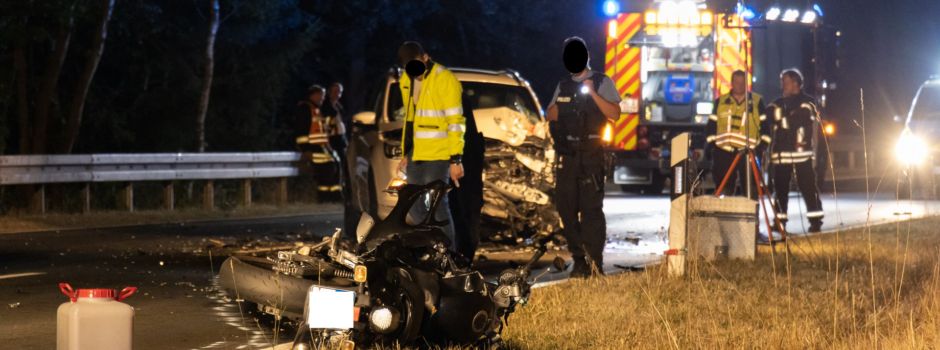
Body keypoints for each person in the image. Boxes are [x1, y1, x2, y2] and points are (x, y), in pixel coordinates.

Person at [546, 37, 621, 277]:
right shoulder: (563, 85)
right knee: (566, 210)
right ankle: (579, 260)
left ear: (587, 55)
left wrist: (591, 94)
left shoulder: (601, 81)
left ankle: (593, 263)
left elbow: (615, 113)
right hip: (567, 156)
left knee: (591, 211)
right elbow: (550, 114)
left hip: (591, 156)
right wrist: (568, 106)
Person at [396, 41, 465, 252]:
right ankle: (430, 250)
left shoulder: (444, 79)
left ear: (425, 57)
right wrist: (406, 152)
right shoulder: (406, 80)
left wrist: (456, 160)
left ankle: (450, 256)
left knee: (437, 206)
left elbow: (455, 122)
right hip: (417, 155)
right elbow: (410, 118)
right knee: (414, 206)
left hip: (440, 155)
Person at [767, 69, 824, 233]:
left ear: (796, 83)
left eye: (785, 81)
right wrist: (786, 117)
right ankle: (779, 222)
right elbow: (770, 114)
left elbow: (799, 119)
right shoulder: (777, 102)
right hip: (781, 154)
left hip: (802, 154)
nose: (783, 85)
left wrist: (783, 118)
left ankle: (815, 221)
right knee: (780, 190)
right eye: (782, 82)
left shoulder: (808, 102)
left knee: (808, 188)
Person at [706, 69, 770, 198]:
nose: (739, 85)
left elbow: (765, 128)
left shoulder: (757, 102)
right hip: (723, 152)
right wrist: (712, 145)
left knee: (751, 187)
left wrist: (761, 147)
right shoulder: (721, 102)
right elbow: (711, 125)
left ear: (746, 83)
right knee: (724, 187)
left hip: (748, 152)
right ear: (732, 83)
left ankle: (751, 215)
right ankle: (724, 215)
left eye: (742, 83)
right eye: (737, 82)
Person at [295, 84, 341, 200]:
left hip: (322, 147)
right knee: (328, 170)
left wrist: (330, 148)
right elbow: (301, 131)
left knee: (335, 165)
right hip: (313, 148)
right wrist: (306, 150)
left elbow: (323, 133)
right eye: (321, 95)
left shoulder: (316, 109)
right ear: (314, 95)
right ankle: (325, 198)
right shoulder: (305, 109)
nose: (323, 98)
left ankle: (334, 197)